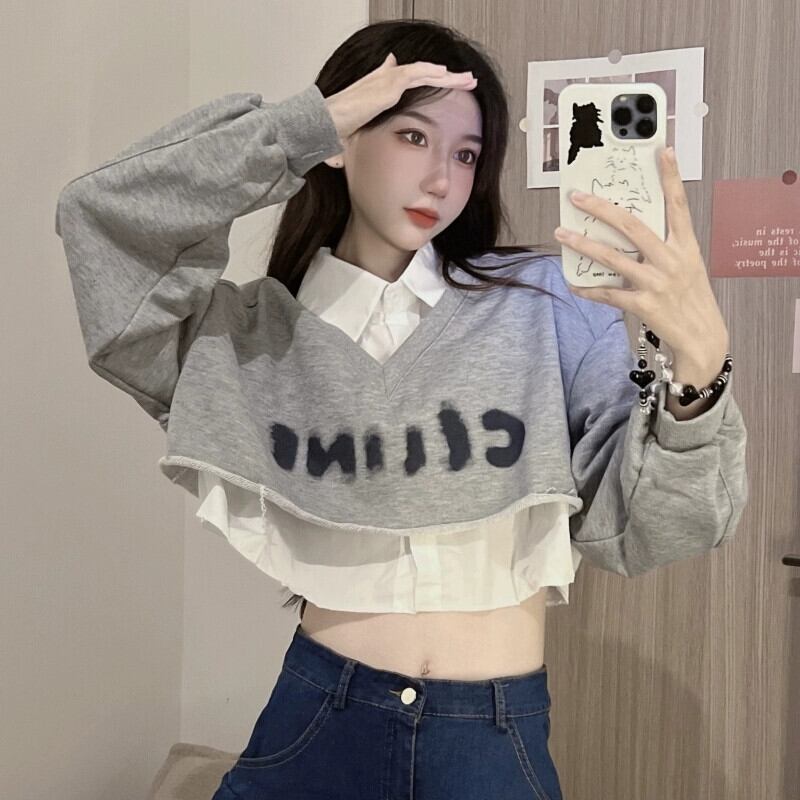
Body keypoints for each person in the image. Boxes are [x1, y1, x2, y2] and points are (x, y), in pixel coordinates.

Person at [55, 18, 748, 800]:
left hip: (490, 738)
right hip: (317, 723)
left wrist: (701, 372)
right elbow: (101, 220)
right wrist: (304, 125)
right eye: (412, 136)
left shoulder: (546, 304)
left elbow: (650, 529)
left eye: (466, 154)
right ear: (342, 138)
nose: (442, 179)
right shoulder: (247, 340)